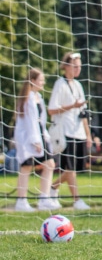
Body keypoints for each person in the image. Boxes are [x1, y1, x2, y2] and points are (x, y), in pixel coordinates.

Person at [48, 51, 92, 210]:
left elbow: (83, 114)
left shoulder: (79, 85)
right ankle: (77, 200)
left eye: (79, 67)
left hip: (79, 131)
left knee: (75, 168)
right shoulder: (60, 84)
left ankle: (52, 188)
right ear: (66, 66)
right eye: (74, 66)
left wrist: (88, 134)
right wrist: (71, 107)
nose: (77, 69)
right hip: (65, 132)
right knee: (70, 168)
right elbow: (51, 110)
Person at [13, 67, 59, 212]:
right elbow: (29, 121)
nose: (43, 82)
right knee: (26, 167)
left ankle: (44, 198)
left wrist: (44, 137)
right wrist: (35, 141)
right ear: (32, 81)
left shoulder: (39, 97)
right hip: (30, 137)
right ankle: (21, 201)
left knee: (50, 164)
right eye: (41, 80)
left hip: (41, 135)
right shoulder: (27, 99)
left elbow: (41, 121)